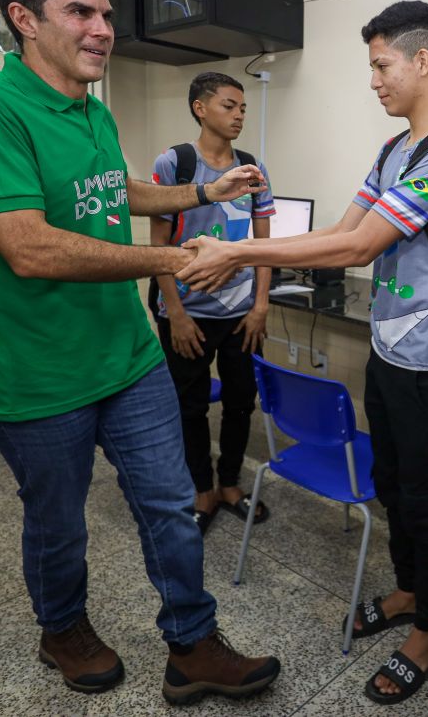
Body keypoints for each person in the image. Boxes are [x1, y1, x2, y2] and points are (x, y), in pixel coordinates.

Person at [0, 0, 279, 706]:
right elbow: (29, 247)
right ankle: (61, 629)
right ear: (24, 18)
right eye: (80, 12)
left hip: (126, 357)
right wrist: (173, 261)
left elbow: (114, 191)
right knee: (59, 525)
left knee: (171, 506)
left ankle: (192, 642)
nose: (102, 29)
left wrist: (203, 191)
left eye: (107, 14)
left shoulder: (93, 109)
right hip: (37, 373)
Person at [178, 0, 428, 705]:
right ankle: (407, 589)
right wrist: (246, 249)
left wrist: (238, 252)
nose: (373, 81)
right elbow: (342, 229)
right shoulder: (394, 150)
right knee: (394, 483)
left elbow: (358, 248)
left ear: (422, 61)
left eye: (382, 66)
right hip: (391, 349)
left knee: (427, 496)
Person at [151, 71, 274, 535]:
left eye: (243, 108)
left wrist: (260, 306)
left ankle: (229, 483)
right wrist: (176, 314)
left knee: (242, 402)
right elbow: (159, 246)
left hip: (241, 314)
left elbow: (264, 245)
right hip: (188, 313)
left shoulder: (253, 169)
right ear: (200, 109)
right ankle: (202, 488)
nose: (239, 115)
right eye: (229, 105)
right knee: (191, 406)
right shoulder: (175, 164)